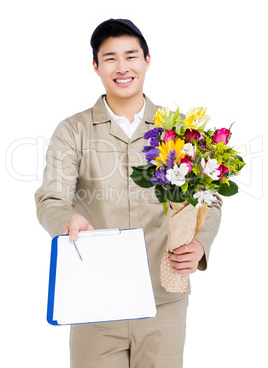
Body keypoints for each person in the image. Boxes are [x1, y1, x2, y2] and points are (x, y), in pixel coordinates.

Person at [35, 18, 222, 368]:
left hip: (163, 298)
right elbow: (50, 199)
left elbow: (209, 199)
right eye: (110, 58)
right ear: (96, 66)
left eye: (131, 56)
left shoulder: (178, 131)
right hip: (95, 300)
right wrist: (68, 220)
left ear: (147, 61)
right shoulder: (73, 131)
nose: (122, 67)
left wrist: (200, 246)